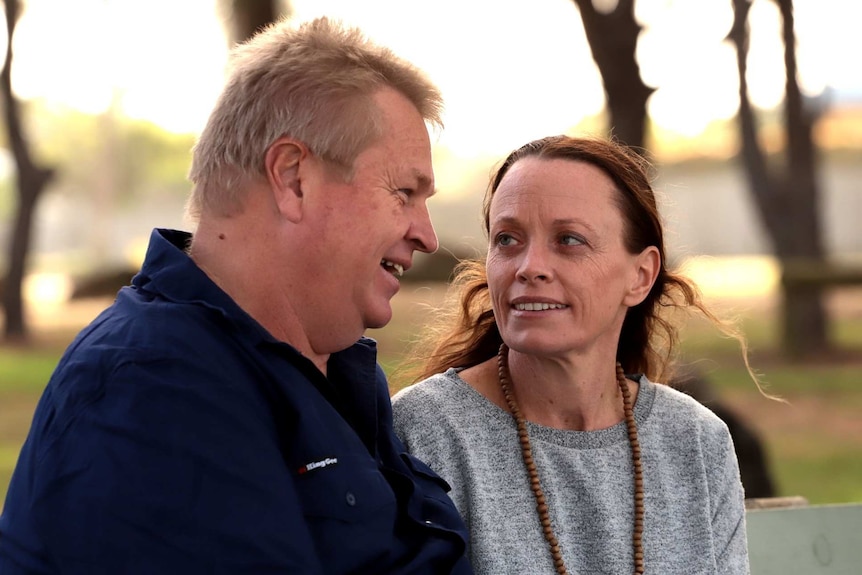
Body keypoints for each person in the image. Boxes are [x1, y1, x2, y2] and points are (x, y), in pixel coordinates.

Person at [0, 16, 472, 574]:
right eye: (404, 192)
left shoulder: (328, 369)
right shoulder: (153, 388)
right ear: (293, 177)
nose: (427, 234)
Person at [392, 135, 753, 574]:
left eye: (568, 240)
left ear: (641, 276)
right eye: (507, 239)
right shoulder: (423, 432)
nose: (529, 266)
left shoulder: (695, 441)